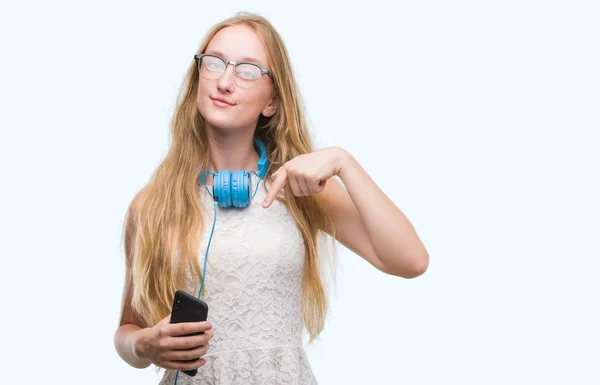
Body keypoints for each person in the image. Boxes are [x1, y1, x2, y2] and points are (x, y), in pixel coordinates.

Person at [113, 11, 429, 385]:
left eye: (247, 71)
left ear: (272, 102)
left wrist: (345, 162)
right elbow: (128, 330)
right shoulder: (151, 205)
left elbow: (411, 260)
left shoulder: (297, 189)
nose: (225, 82)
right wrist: (145, 345)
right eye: (214, 63)